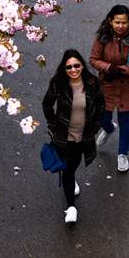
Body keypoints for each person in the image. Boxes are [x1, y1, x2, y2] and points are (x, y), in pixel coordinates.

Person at [42, 49, 105, 223]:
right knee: (68, 170)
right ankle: (71, 207)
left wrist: (95, 127)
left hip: (83, 137)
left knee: (73, 165)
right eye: (69, 67)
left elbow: (101, 104)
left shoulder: (91, 83)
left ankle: (71, 183)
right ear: (64, 69)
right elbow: (47, 105)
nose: (73, 70)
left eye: (76, 65)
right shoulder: (58, 84)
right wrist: (54, 125)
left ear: (82, 66)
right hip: (64, 137)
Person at [90, 5, 129, 172]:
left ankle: (122, 154)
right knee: (102, 118)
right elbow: (93, 59)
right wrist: (108, 67)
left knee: (125, 121)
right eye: (117, 22)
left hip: (127, 87)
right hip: (107, 85)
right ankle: (109, 128)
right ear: (110, 21)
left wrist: (123, 70)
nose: (120, 26)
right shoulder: (103, 38)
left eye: (124, 22)